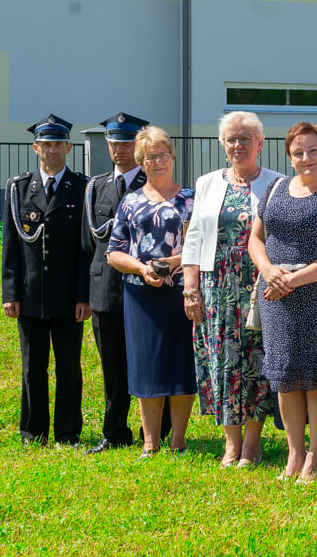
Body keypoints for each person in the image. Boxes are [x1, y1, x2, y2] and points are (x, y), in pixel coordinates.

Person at [247, 122, 317, 482]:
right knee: (286, 377)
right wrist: (268, 270)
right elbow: (256, 239)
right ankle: (295, 452)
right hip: (276, 296)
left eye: (314, 150)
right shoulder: (274, 189)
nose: (306, 158)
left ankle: (316, 456)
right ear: (289, 156)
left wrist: (291, 279)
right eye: (298, 152)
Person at [182, 111, 282, 469]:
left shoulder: (278, 184)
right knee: (221, 362)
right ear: (223, 145)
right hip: (215, 287)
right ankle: (230, 443)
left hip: (258, 288)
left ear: (260, 143)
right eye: (231, 139)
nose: (237, 145)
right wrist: (190, 287)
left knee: (254, 360)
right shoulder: (207, 182)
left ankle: (252, 444)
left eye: (245, 138)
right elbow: (193, 237)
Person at [106, 126, 197, 459]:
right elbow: (113, 251)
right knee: (146, 365)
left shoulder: (191, 198)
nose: (157, 161)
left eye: (163, 154)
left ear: (173, 156)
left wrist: (173, 261)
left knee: (180, 361)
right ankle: (150, 442)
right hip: (140, 295)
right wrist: (142, 268)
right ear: (140, 162)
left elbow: (201, 246)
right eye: (149, 157)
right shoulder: (130, 202)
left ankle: (179, 441)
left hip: (182, 292)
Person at [2, 114, 90, 446]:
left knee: (69, 368)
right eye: (46, 145)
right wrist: (10, 292)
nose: (52, 150)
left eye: (58, 144)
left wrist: (84, 295)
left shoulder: (82, 188)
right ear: (36, 147)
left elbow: (85, 248)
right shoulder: (19, 188)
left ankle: (68, 433)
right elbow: (10, 246)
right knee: (32, 367)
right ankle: (33, 432)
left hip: (69, 298)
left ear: (68, 146)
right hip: (30, 295)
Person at [82, 112, 154, 454]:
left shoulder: (154, 184)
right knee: (112, 366)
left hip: (144, 291)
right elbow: (87, 243)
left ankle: (153, 431)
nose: (120, 150)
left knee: (147, 360)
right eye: (114, 142)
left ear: (138, 146)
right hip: (105, 289)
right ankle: (114, 431)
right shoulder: (96, 187)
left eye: (127, 142)